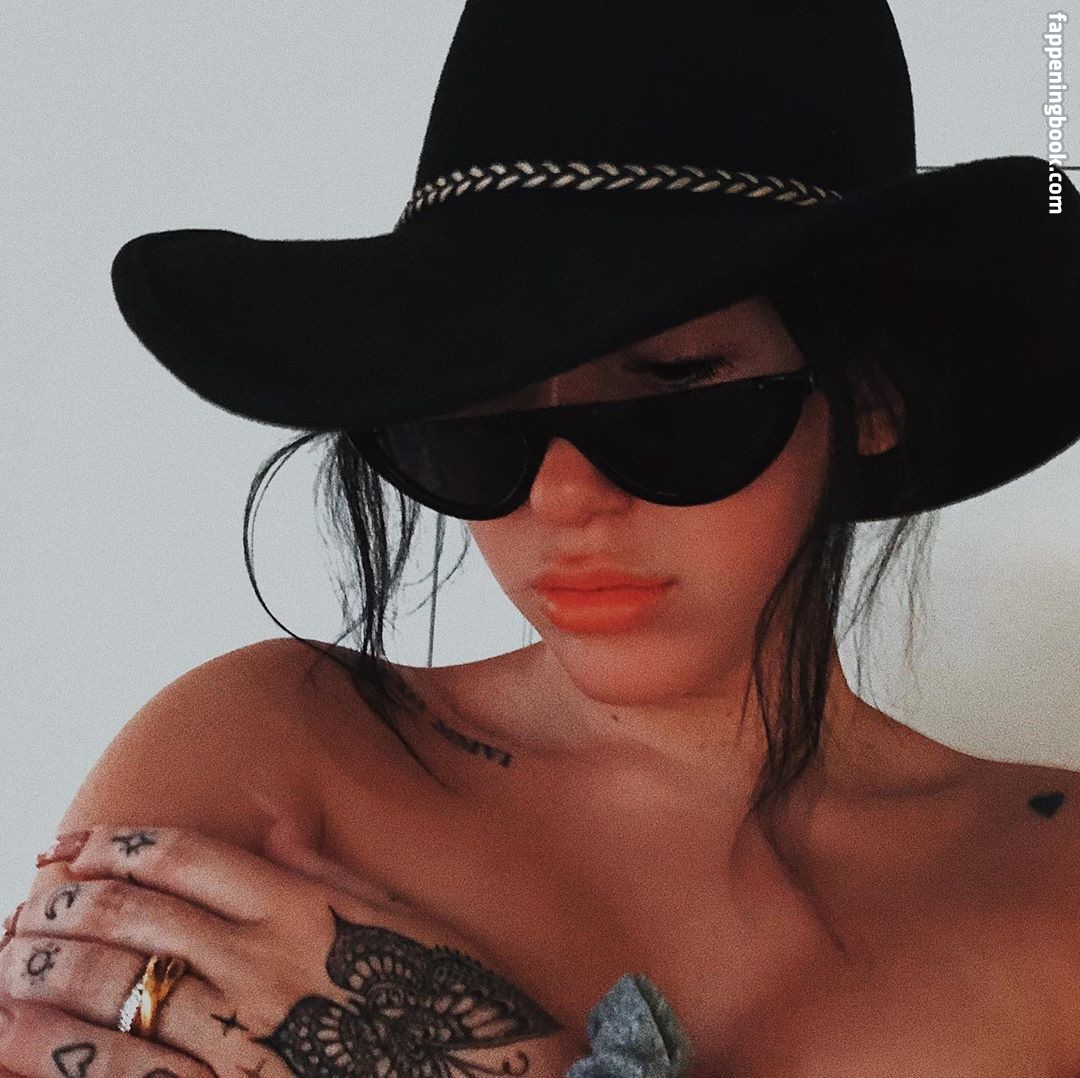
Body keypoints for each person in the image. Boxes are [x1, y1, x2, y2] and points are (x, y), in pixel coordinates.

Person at [2, 0, 1080, 1074]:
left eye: (671, 397)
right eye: (479, 419)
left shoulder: (1051, 882)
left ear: (872, 396)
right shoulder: (272, 758)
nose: (564, 496)